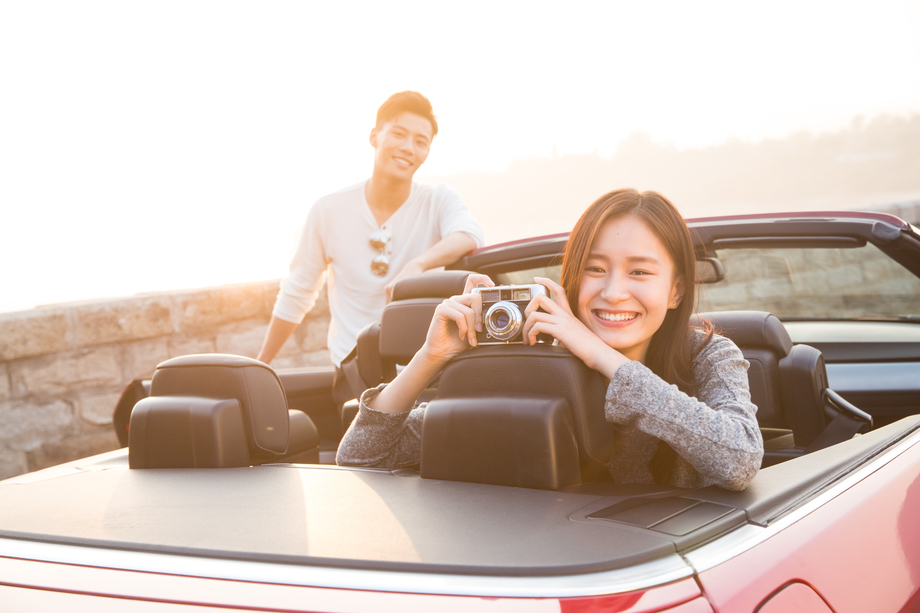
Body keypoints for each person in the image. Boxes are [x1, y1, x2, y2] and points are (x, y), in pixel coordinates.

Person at [336, 188, 764, 491]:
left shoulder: (707, 353)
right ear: (572, 279)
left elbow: (740, 459)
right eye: (596, 269)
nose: (614, 292)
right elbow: (361, 458)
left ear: (676, 291)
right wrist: (430, 358)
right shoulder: (538, 362)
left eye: (639, 272)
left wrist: (599, 355)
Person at [257, 91, 485, 407]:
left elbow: (469, 235)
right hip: (355, 374)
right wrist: (260, 366)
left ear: (427, 152)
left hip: (426, 372)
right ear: (374, 136)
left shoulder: (438, 200)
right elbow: (297, 294)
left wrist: (417, 265)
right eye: (399, 134)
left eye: (420, 141)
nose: (408, 147)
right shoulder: (328, 210)